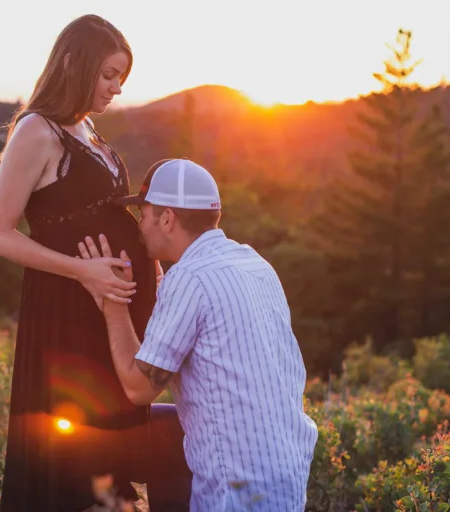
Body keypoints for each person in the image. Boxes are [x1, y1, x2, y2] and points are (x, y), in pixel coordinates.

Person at [0, 14, 189, 511]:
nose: (117, 88)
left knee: (111, 447)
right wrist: (84, 271)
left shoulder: (86, 127)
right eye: (109, 75)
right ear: (75, 65)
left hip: (109, 311)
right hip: (69, 312)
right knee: (78, 447)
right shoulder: (37, 130)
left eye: (122, 77)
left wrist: (151, 268)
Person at [77, 158, 319, 511]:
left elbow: (138, 388)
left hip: (236, 490)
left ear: (167, 218)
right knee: (163, 424)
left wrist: (112, 303)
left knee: (116, 427)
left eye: (142, 214)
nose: (139, 226)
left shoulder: (190, 278)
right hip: (287, 473)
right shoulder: (253, 263)